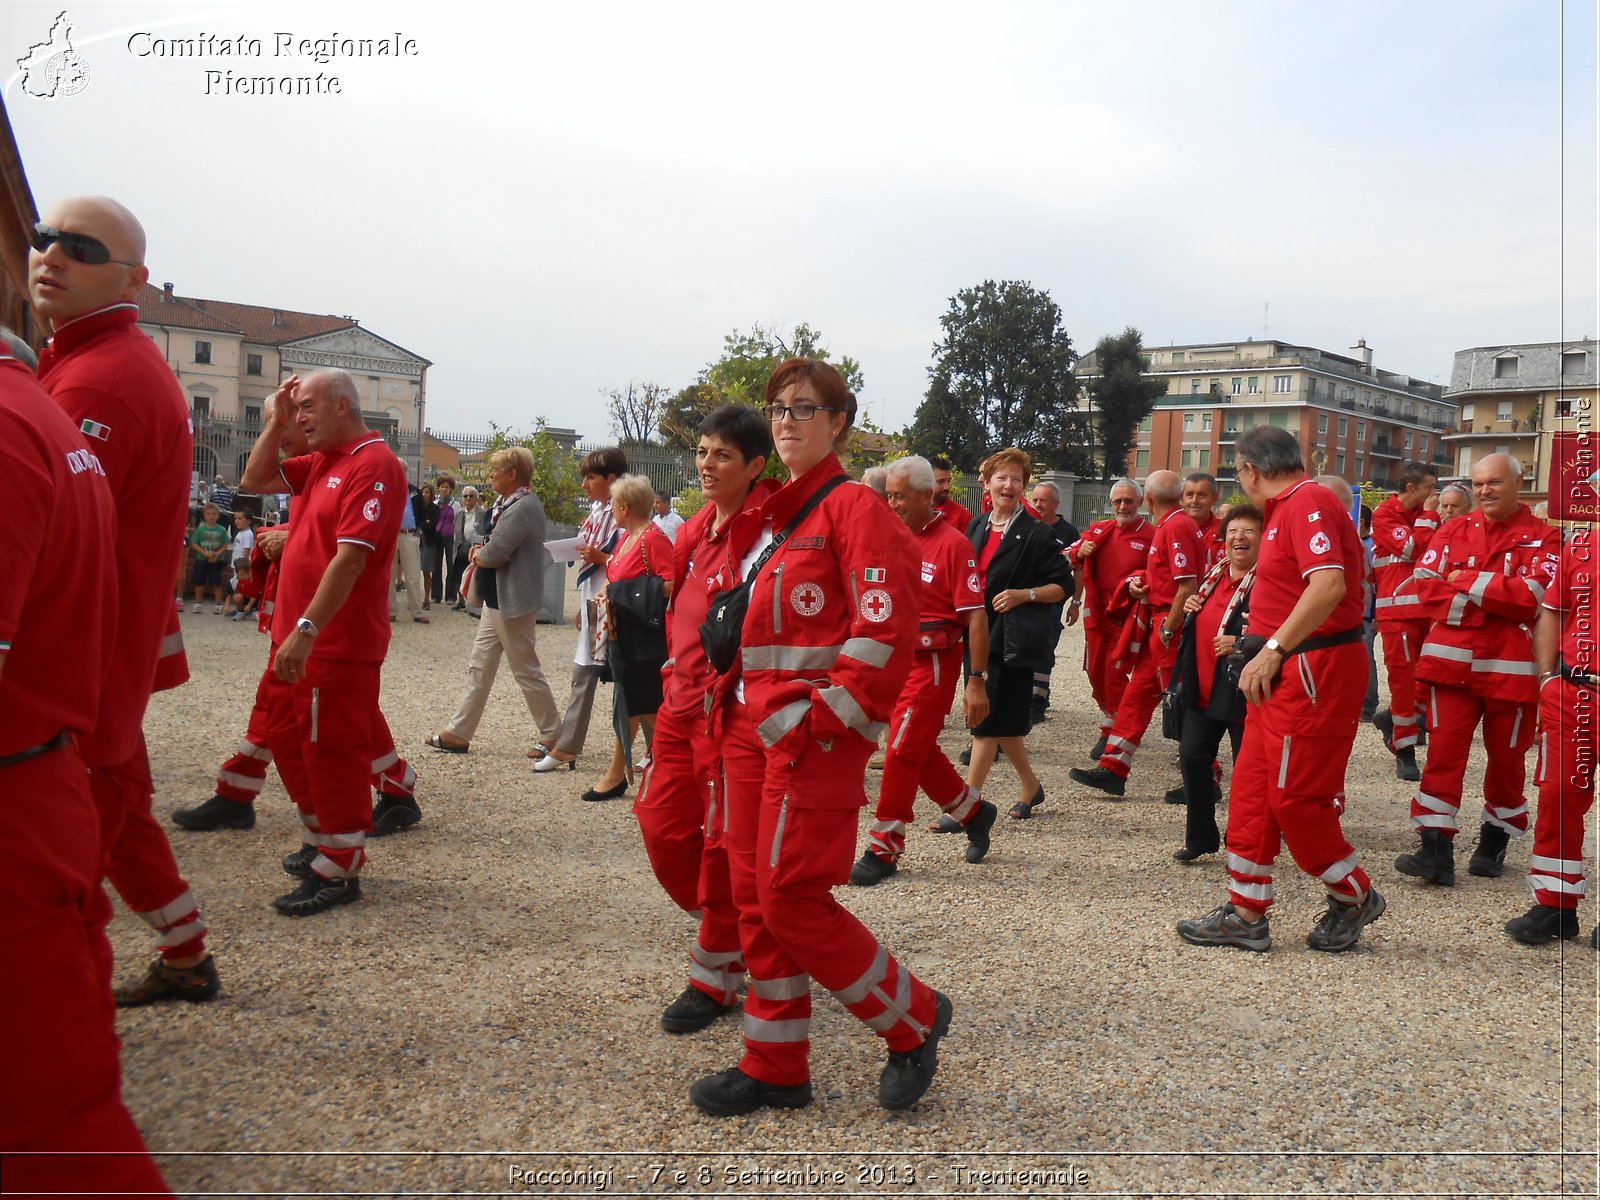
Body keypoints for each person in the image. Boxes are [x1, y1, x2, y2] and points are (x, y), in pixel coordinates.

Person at [692, 358, 951, 1117]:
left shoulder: (853, 509)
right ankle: (774, 1062)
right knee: (754, 899)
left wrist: (824, 721)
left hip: (808, 741)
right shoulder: (786, 516)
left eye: (804, 409)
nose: (786, 421)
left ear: (839, 423)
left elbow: (884, 634)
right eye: (778, 409)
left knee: (790, 899)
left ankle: (913, 1017)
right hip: (752, 734)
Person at [31, 195, 217, 1005]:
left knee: (58, 849)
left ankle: (62, 1012)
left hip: (69, 666)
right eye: (44, 238)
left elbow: (47, 543)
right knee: (117, 805)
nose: (49, 255)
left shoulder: (99, 384)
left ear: (134, 280)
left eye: (78, 246)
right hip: (96, 658)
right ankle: (184, 952)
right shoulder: (96, 367)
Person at [0, 336, 173, 1196]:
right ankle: (184, 947)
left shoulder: (40, 407)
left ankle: (188, 947)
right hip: (54, 755)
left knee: (50, 1136)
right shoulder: (48, 404)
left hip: (32, 769)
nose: (45, 259)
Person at [1176, 427, 1383, 954]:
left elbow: (1329, 585)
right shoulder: (1286, 508)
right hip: (1285, 669)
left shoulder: (1306, 500)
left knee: (1296, 797)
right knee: (1252, 788)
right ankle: (1245, 912)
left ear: (1249, 468)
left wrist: (1273, 650)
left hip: (1310, 668)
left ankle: (1353, 894)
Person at [238, 369, 406, 915]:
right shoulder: (325, 460)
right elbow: (255, 477)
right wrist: (279, 421)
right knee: (290, 742)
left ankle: (340, 867)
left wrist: (306, 631)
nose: (299, 417)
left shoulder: (373, 464)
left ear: (341, 404)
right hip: (300, 638)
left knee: (330, 751)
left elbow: (351, 559)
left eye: (307, 406)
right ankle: (321, 839)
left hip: (334, 643)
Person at [634, 404, 776, 1034]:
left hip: (723, 716)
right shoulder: (701, 526)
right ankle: (751, 927)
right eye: (702, 452)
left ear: (755, 465)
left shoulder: (763, 532)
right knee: (661, 825)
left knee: (721, 848)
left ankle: (715, 974)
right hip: (678, 705)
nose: (707, 464)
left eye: (722, 454)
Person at [172, 524, 422, 836]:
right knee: (278, 707)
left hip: (326, 618)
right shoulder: (330, 476)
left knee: (335, 712)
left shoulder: (367, 475)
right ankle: (237, 793)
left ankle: (336, 834)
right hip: (308, 613)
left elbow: (359, 537)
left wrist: (294, 538)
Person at [1394, 454, 1561, 888]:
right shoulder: (1452, 529)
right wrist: (1493, 604)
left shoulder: (1545, 538)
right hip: (1450, 669)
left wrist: (1465, 579)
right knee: (1443, 759)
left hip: (1511, 675)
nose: (1484, 490)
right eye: (1479, 483)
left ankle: (1495, 840)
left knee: (1506, 765)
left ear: (1519, 483)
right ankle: (1435, 850)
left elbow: (1535, 598)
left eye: (1494, 482)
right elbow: (1425, 587)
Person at [851, 455, 992, 885]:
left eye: (900, 497)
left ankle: (884, 847)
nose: (891, 504)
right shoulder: (882, 539)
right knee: (917, 750)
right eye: (888, 495)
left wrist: (976, 681)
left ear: (927, 496)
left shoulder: (953, 545)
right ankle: (973, 811)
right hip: (889, 664)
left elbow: (976, 618)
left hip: (931, 665)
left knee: (900, 751)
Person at [1070, 471, 1202, 798]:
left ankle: (1206, 777)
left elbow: (1186, 586)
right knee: (1136, 696)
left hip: (1167, 626)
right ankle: (1113, 767)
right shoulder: (1176, 526)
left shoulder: (1172, 527)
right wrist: (1141, 582)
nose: (1124, 505)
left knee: (1181, 704)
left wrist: (1169, 628)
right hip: (1157, 625)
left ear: (1149, 500)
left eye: (1131, 500)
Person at [956, 448, 1070, 821]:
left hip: (1009, 641)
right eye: (1002, 478)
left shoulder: (1037, 533)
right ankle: (1031, 787)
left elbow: (1063, 585)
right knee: (1003, 722)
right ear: (986, 483)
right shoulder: (976, 526)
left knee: (985, 720)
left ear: (1024, 486)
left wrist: (1025, 595)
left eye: (1016, 479)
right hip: (976, 635)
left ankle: (967, 803)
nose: (1009, 485)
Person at [427, 448, 562, 757]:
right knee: (479, 665)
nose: (490, 477)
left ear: (512, 474)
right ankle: (459, 732)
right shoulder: (508, 504)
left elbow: (495, 552)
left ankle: (553, 734)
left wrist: (477, 554)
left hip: (512, 599)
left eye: (494, 471)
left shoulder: (523, 507)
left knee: (525, 669)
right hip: (497, 598)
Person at [1505, 530, 1597, 946]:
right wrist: (1545, 678)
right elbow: (1554, 612)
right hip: (1572, 691)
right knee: (1558, 796)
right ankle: (1555, 905)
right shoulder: (1582, 547)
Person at [1167, 505, 1261, 861]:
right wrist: (1193, 606)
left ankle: (1245, 845)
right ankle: (1200, 839)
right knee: (1192, 759)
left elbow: (1281, 632)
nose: (1239, 538)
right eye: (1233, 531)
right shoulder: (1213, 577)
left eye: (1248, 531)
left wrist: (1242, 644)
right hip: (1202, 689)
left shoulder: (1268, 584)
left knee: (1247, 774)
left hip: (1241, 693)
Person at [533, 447, 626, 773]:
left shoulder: (624, 514)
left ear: (611, 479)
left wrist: (603, 558)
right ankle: (567, 746)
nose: (584, 484)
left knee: (626, 680)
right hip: (596, 605)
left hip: (614, 608)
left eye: (591, 477)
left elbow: (638, 561)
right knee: (588, 675)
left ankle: (569, 746)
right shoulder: (599, 513)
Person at [594, 473, 674, 796]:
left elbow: (672, 583)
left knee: (642, 706)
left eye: (613, 504)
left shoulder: (652, 539)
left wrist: (622, 592)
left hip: (646, 637)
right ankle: (626, 773)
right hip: (624, 634)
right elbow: (614, 576)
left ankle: (636, 775)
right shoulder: (627, 537)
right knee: (632, 705)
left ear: (625, 507)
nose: (611, 509)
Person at [1066, 479, 1153, 757]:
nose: (1123, 506)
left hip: (1128, 616)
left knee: (1115, 672)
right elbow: (1067, 556)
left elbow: (1159, 572)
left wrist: (1139, 583)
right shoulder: (1099, 531)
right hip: (1097, 616)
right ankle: (1113, 716)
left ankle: (1111, 730)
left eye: (1129, 501)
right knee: (1094, 672)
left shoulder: (1151, 534)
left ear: (1140, 502)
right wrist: (1080, 552)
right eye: (1118, 501)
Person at [1369, 462, 1440, 781]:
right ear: (1412, 488)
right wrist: (1429, 515)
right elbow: (1414, 546)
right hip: (1397, 613)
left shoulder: (1423, 516)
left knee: (1429, 680)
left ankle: (1394, 722)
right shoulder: (1385, 514)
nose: (1433, 495)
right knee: (1402, 683)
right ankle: (1405, 751)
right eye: (1428, 488)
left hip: (1429, 610)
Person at [1025, 478, 1079, 724]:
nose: (1037, 505)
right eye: (1034, 500)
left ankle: (1038, 701)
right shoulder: (1025, 526)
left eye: (1043, 501)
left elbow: (1079, 569)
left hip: (1052, 600)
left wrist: (1076, 602)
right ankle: (1025, 696)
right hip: (1025, 598)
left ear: (1056, 504)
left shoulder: (1068, 532)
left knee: (1045, 647)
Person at [391, 482, 427, 624]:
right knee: (389, 576)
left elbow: (422, 513)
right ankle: (390, 611)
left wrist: (419, 532)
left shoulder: (415, 492)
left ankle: (417, 612)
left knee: (413, 575)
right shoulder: (386, 488)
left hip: (410, 534)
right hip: (391, 536)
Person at [448, 484, 485, 610]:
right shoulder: (459, 513)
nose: (468, 498)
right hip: (460, 547)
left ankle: (473, 602)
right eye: (465, 496)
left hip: (475, 548)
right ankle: (461, 600)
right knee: (459, 574)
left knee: (474, 575)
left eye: (471, 496)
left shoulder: (482, 513)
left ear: (476, 497)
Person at [189, 502, 230, 612]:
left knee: (217, 581)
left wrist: (217, 554)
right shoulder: (200, 529)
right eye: (208, 514)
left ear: (218, 515)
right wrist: (204, 553)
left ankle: (218, 604)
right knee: (199, 581)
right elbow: (194, 543)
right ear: (204, 515)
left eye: (213, 514)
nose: (211, 516)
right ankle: (198, 603)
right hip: (202, 559)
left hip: (216, 560)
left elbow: (225, 544)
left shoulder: (221, 530)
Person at [1182, 472, 1224, 569]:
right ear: (1182, 499)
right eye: (1189, 495)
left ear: (1214, 499)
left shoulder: (1226, 532)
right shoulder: (1169, 531)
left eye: (1201, 495)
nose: (1194, 500)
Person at [431, 476, 458, 605]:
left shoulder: (456, 505)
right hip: (436, 537)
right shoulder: (435, 503)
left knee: (451, 565)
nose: (444, 489)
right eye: (442, 486)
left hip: (450, 537)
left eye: (447, 487)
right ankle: (436, 595)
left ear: (451, 489)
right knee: (436, 566)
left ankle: (451, 596)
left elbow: (457, 521)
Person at [414, 481, 441, 611]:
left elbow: (431, 525)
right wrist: (424, 521)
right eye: (423, 492)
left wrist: (422, 523)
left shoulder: (435, 508)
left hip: (428, 541)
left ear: (431, 494)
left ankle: (426, 598)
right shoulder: (417, 506)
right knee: (413, 571)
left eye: (427, 492)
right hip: (415, 539)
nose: (424, 494)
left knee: (426, 570)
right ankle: (414, 598)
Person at [931, 454, 973, 533]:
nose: (947, 487)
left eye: (949, 481)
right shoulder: (911, 512)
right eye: (941, 482)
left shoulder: (962, 517)